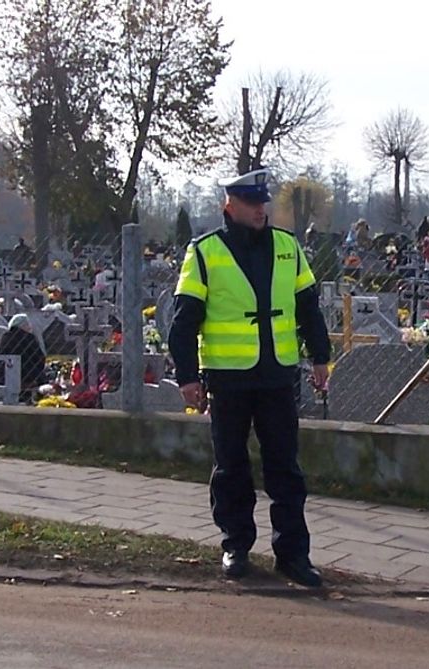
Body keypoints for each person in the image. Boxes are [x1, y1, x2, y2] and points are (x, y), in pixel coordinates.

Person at [167, 167, 331, 588]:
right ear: (230, 206)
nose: (261, 210)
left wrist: (320, 356)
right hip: (228, 377)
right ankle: (235, 546)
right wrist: (187, 377)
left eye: (264, 203)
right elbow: (184, 321)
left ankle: (293, 554)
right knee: (231, 466)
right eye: (252, 203)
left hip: (277, 374)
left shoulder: (287, 247)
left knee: (285, 468)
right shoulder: (205, 252)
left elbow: (308, 306)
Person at [0, 313, 46, 403]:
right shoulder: (29, 337)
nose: (29, 327)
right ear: (22, 325)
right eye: (28, 324)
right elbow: (40, 358)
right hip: (27, 376)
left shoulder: (4, 337)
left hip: (5, 375)